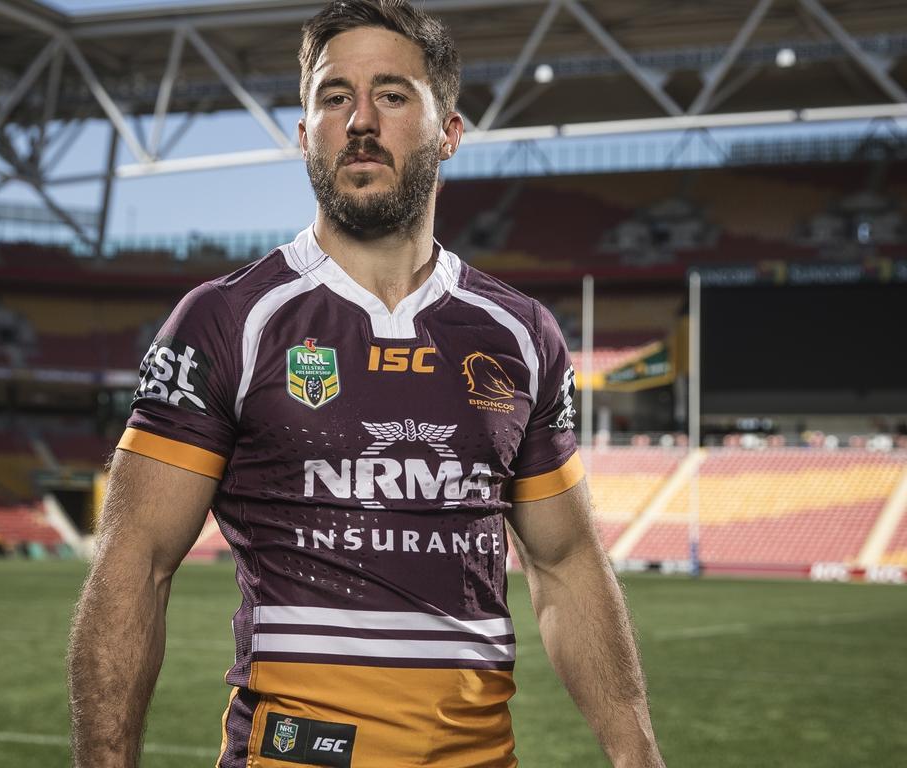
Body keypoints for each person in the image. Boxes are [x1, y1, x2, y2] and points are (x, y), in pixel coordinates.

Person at [68, 2, 665, 766]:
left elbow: (568, 564)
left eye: (391, 94)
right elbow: (135, 565)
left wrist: (638, 754)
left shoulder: (520, 334)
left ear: (449, 132)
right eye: (331, 96)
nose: (358, 120)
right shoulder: (228, 321)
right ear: (303, 133)